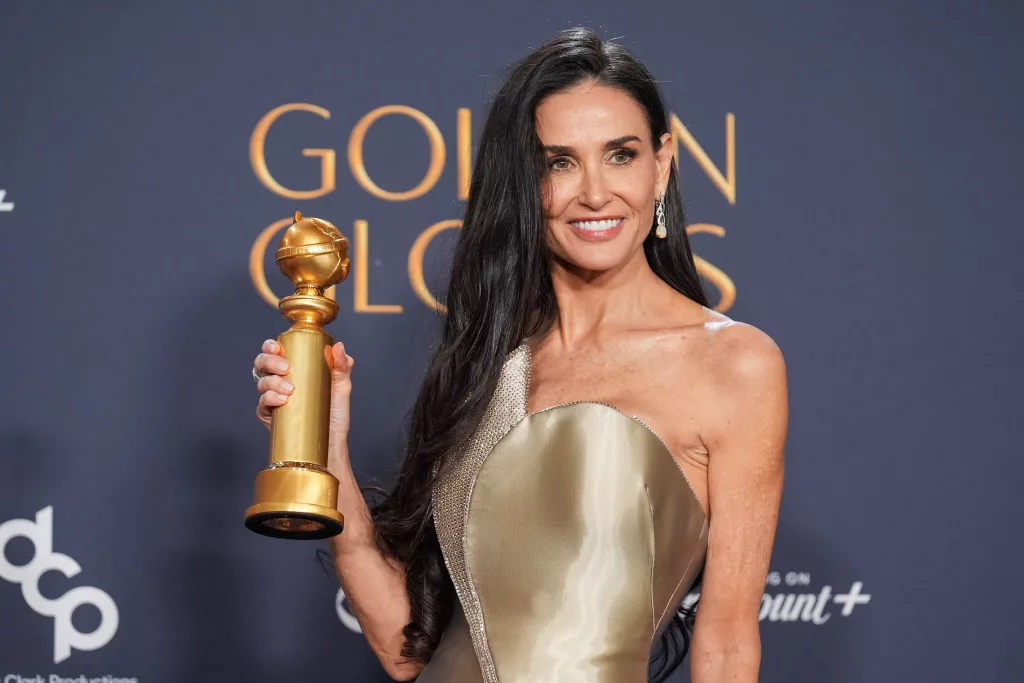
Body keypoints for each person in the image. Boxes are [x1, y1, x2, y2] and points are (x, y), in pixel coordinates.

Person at [252, 27, 787, 683]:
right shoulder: (488, 359)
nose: (594, 192)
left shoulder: (734, 364)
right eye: (558, 162)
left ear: (663, 162)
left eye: (620, 155)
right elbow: (406, 653)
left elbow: (728, 643)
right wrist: (326, 448)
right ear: (524, 182)